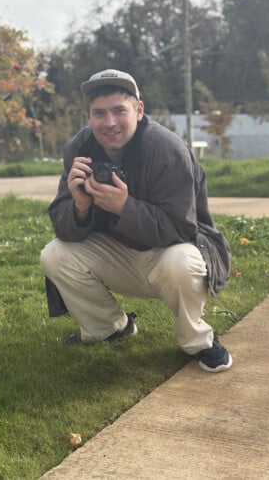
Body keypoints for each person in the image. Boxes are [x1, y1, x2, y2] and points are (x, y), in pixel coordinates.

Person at [40, 69, 234, 372]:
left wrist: (124, 207)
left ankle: (197, 340)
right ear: (87, 117)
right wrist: (79, 205)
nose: (110, 122)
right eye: (99, 113)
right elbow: (63, 229)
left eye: (120, 110)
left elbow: (181, 230)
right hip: (116, 253)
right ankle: (110, 327)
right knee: (54, 254)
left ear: (139, 110)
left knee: (182, 262)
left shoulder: (168, 149)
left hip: (170, 252)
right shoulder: (79, 149)